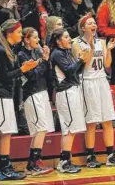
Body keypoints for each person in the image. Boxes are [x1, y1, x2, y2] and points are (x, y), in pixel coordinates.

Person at [71, 15, 115, 168]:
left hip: (101, 81)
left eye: (94, 23)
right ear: (83, 28)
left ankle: (110, 156)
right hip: (87, 82)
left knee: (107, 120)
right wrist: (91, 48)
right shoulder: (76, 43)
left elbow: (107, 65)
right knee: (92, 123)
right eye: (89, 23)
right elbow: (81, 65)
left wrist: (108, 50)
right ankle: (90, 156)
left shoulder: (101, 41)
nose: (93, 25)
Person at [0, 19, 38, 180]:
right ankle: (5, 168)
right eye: (18, 32)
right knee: (6, 132)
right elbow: (4, 76)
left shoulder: (7, 48)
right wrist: (22, 69)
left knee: (4, 133)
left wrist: (22, 68)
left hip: (3, 93)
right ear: (10, 33)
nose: (21, 34)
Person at [18, 27, 55, 175]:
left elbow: (45, 72)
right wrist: (43, 62)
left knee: (42, 129)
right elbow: (32, 75)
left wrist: (45, 60)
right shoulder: (21, 55)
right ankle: (32, 164)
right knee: (40, 128)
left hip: (41, 91)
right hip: (32, 94)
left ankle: (34, 162)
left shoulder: (36, 52)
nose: (38, 40)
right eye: (34, 38)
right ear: (26, 39)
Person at [50, 28, 87, 173]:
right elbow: (70, 70)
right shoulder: (57, 54)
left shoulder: (65, 52)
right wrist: (80, 60)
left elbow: (76, 71)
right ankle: (64, 162)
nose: (70, 39)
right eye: (66, 37)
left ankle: (66, 160)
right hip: (65, 92)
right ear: (59, 41)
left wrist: (81, 61)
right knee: (69, 129)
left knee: (70, 130)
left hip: (72, 90)